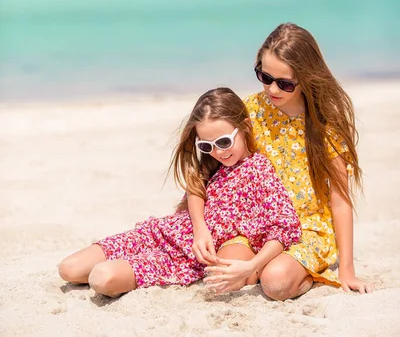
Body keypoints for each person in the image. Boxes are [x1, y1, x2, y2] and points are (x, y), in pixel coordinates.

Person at [58, 87, 301, 297]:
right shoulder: (211, 164)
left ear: (245, 127)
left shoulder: (259, 169)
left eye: (224, 142)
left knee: (102, 278)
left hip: (182, 259)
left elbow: (284, 228)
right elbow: (195, 188)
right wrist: (200, 228)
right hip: (162, 234)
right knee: (68, 269)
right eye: (206, 145)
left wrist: (252, 267)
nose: (218, 151)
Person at [190, 23, 374, 300]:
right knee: (225, 273)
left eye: (284, 83)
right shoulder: (249, 111)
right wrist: (199, 227)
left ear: (306, 77)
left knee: (274, 283)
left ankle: (304, 276)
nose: (272, 89)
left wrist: (346, 269)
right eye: (264, 76)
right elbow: (204, 172)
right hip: (256, 224)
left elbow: (340, 198)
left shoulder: (325, 125)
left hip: (307, 227)